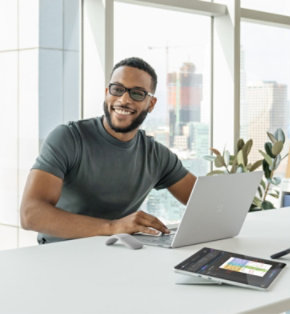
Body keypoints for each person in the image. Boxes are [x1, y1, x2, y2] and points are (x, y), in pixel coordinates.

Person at [20, 57, 197, 244]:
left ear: (151, 104)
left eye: (137, 93)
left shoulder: (157, 155)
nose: (124, 100)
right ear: (107, 93)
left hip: (118, 256)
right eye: (117, 89)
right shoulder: (69, 138)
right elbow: (30, 214)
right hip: (60, 258)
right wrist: (112, 227)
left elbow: (205, 204)